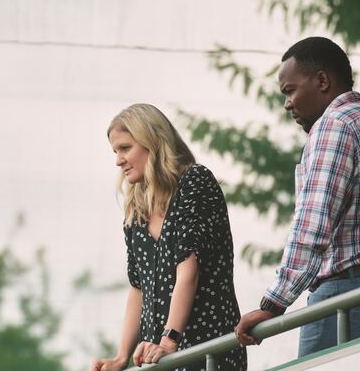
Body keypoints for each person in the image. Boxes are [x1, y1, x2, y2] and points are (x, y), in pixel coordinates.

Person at [234, 37, 360, 357]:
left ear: (322, 80)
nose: (287, 103)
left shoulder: (334, 126)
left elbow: (312, 226)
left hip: (352, 299)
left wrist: (273, 305)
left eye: (290, 90)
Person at [91, 104, 247, 371]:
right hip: (158, 358)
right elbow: (138, 288)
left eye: (125, 148)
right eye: (115, 151)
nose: (118, 160)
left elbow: (189, 270)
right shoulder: (137, 209)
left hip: (206, 350)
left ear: (153, 142)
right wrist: (121, 357)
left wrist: (169, 340)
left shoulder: (195, 181)